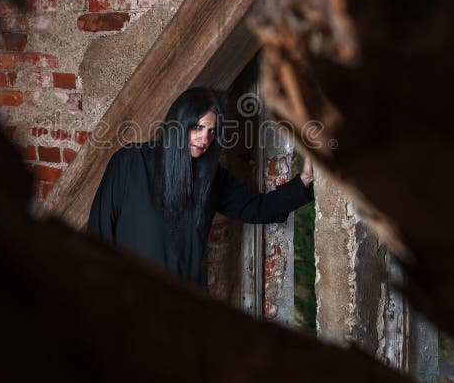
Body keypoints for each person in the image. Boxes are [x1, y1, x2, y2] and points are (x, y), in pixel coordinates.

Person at [87, 87, 314, 285]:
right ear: (179, 123)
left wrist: (303, 181)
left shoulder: (212, 178)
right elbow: (99, 235)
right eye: (197, 127)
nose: (205, 139)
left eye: (211, 132)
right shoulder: (129, 162)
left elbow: (258, 207)